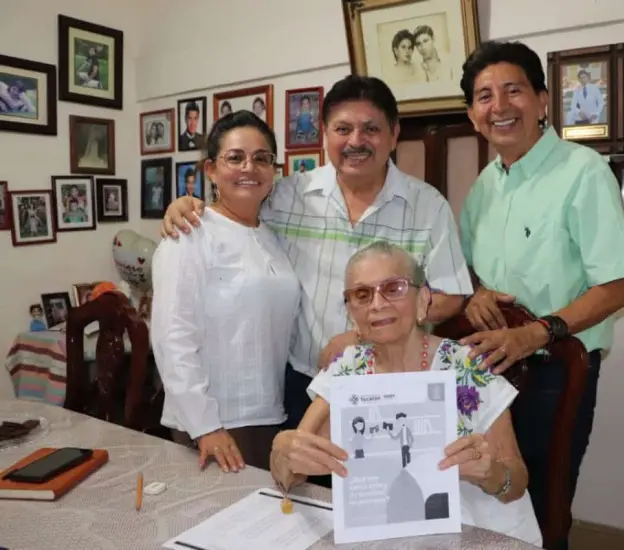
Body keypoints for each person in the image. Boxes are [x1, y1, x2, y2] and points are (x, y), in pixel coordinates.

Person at [159, 75, 472, 483]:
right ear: (325, 134)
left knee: (381, 498)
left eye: (371, 129)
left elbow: (449, 296)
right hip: (297, 388)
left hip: (388, 388)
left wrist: (364, 338)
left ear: (394, 134)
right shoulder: (288, 195)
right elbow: (233, 210)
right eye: (343, 129)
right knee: (296, 506)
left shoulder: (427, 206)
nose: (356, 140)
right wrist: (186, 206)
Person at [458, 40, 624, 549]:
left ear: (542, 100)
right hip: (487, 368)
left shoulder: (583, 171)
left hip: (554, 372)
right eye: (484, 96)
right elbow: (467, 268)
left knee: (541, 508)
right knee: (481, 497)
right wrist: (473, 294)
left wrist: (534, 333)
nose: (499, 106)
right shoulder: (484, 186)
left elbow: (617, 285)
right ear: (473, 116)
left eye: (513, 90)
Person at [269, 241, 542, 546]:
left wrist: (490, 472)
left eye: (393, 288)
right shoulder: (346, 373)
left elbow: (516, 482)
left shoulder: (467, 368)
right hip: (387, 534)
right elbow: (292, 473)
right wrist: (283, 451)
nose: (377, 304)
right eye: (362, 294)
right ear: (351, 311)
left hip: (477, 529)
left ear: (423, 300)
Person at [150, 110, 301, 473]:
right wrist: (206, 426)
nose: (250, 167)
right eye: (235, 158)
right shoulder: (190, 234)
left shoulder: (273, 235)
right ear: (211, 170)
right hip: (213, 422)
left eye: (262, 158)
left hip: (269, 413)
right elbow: (172, 337)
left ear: (274, 171)